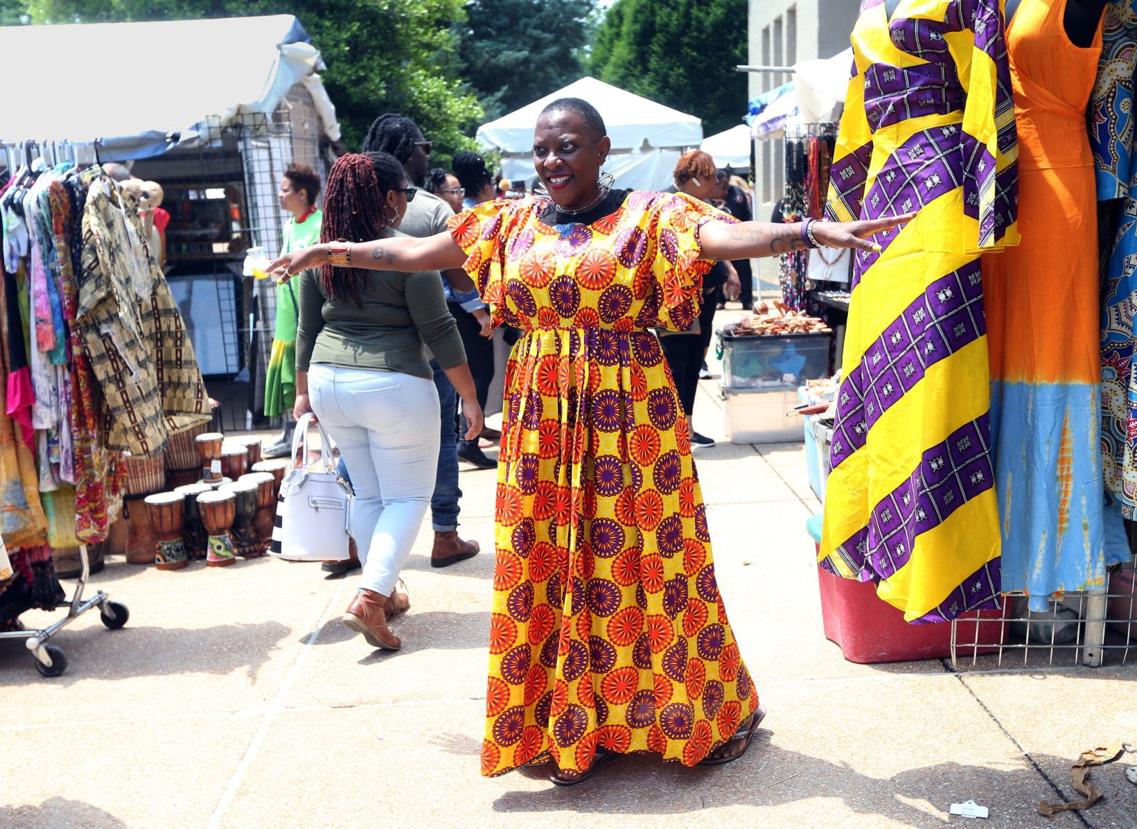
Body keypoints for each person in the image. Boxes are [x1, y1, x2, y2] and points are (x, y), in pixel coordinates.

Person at [272, 98, 908, 783]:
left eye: (567, 146)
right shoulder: (508, 222)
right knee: (551, 564)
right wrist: (325, 249)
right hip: (542, 424)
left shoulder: (651, 215)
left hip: (633, 422)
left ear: (604, 149)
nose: (552, 161)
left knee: (658, 565)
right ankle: (568, 723)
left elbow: (723, 239)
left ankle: (700, 714)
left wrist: (809, 232)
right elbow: (412, 252)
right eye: (542, 150)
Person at [293, 152, 484, 651]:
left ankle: (386, 589)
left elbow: (307, 330)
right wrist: (470, 397)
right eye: (403, 191)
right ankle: (371, 597)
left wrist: (300, 394)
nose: (407, 200)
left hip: (329, 383)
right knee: (406, 498)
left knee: (370, 495)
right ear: (386, 199)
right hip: (392, 383)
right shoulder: (405, 252)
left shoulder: (321, 254)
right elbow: (439, 329)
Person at [361, 114, 484, 564]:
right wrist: (479, 307)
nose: (426, 155)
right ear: (407, 149)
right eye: (424, 147)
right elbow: (461, 272)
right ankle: (444, 534)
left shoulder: (346, 208)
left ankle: (352, 540)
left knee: (364, 446)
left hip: (362, 354)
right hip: (427, 349)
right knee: (442, 439)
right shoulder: (432, 209)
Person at [660, 151, 741, 447]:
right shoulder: (669, 204)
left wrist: (729, 269)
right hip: (680, 301)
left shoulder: (703, 205)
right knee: (677, 364)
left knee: (694, 361)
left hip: (705, 297)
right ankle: (675, 431)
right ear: (694, 178)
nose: (714, 182)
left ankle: (688, 426)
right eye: (709, 177)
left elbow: (717, 245)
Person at [425, 166, 500, 469]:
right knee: (479, 373)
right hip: (461, 311)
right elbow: (458, 278)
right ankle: (468, 439)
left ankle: (467, 436)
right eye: (452, 192)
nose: (458, 197)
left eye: (459, 191)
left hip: (461, 310)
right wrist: (481, 314)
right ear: (437, 194)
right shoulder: (443, 223)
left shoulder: (456, 220)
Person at [264, 163, 323, 459]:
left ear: (302, 194)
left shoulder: (319, 224)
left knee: (311, 377)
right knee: (290, 380)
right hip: (288, 313)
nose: (279, 195)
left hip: (310, 313)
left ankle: (314, 440)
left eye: (285, 190)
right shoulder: (290, 225)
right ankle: (293, 439)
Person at [717, 169, 755, 310]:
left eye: (726, 185)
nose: (724, 189)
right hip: (719, 240)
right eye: (721, 186)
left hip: (738, 238)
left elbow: (747, 214)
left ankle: (746, 300)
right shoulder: (710, 197)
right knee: (721, 270)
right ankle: (720, 300)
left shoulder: (737, 193)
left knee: (744, 270)